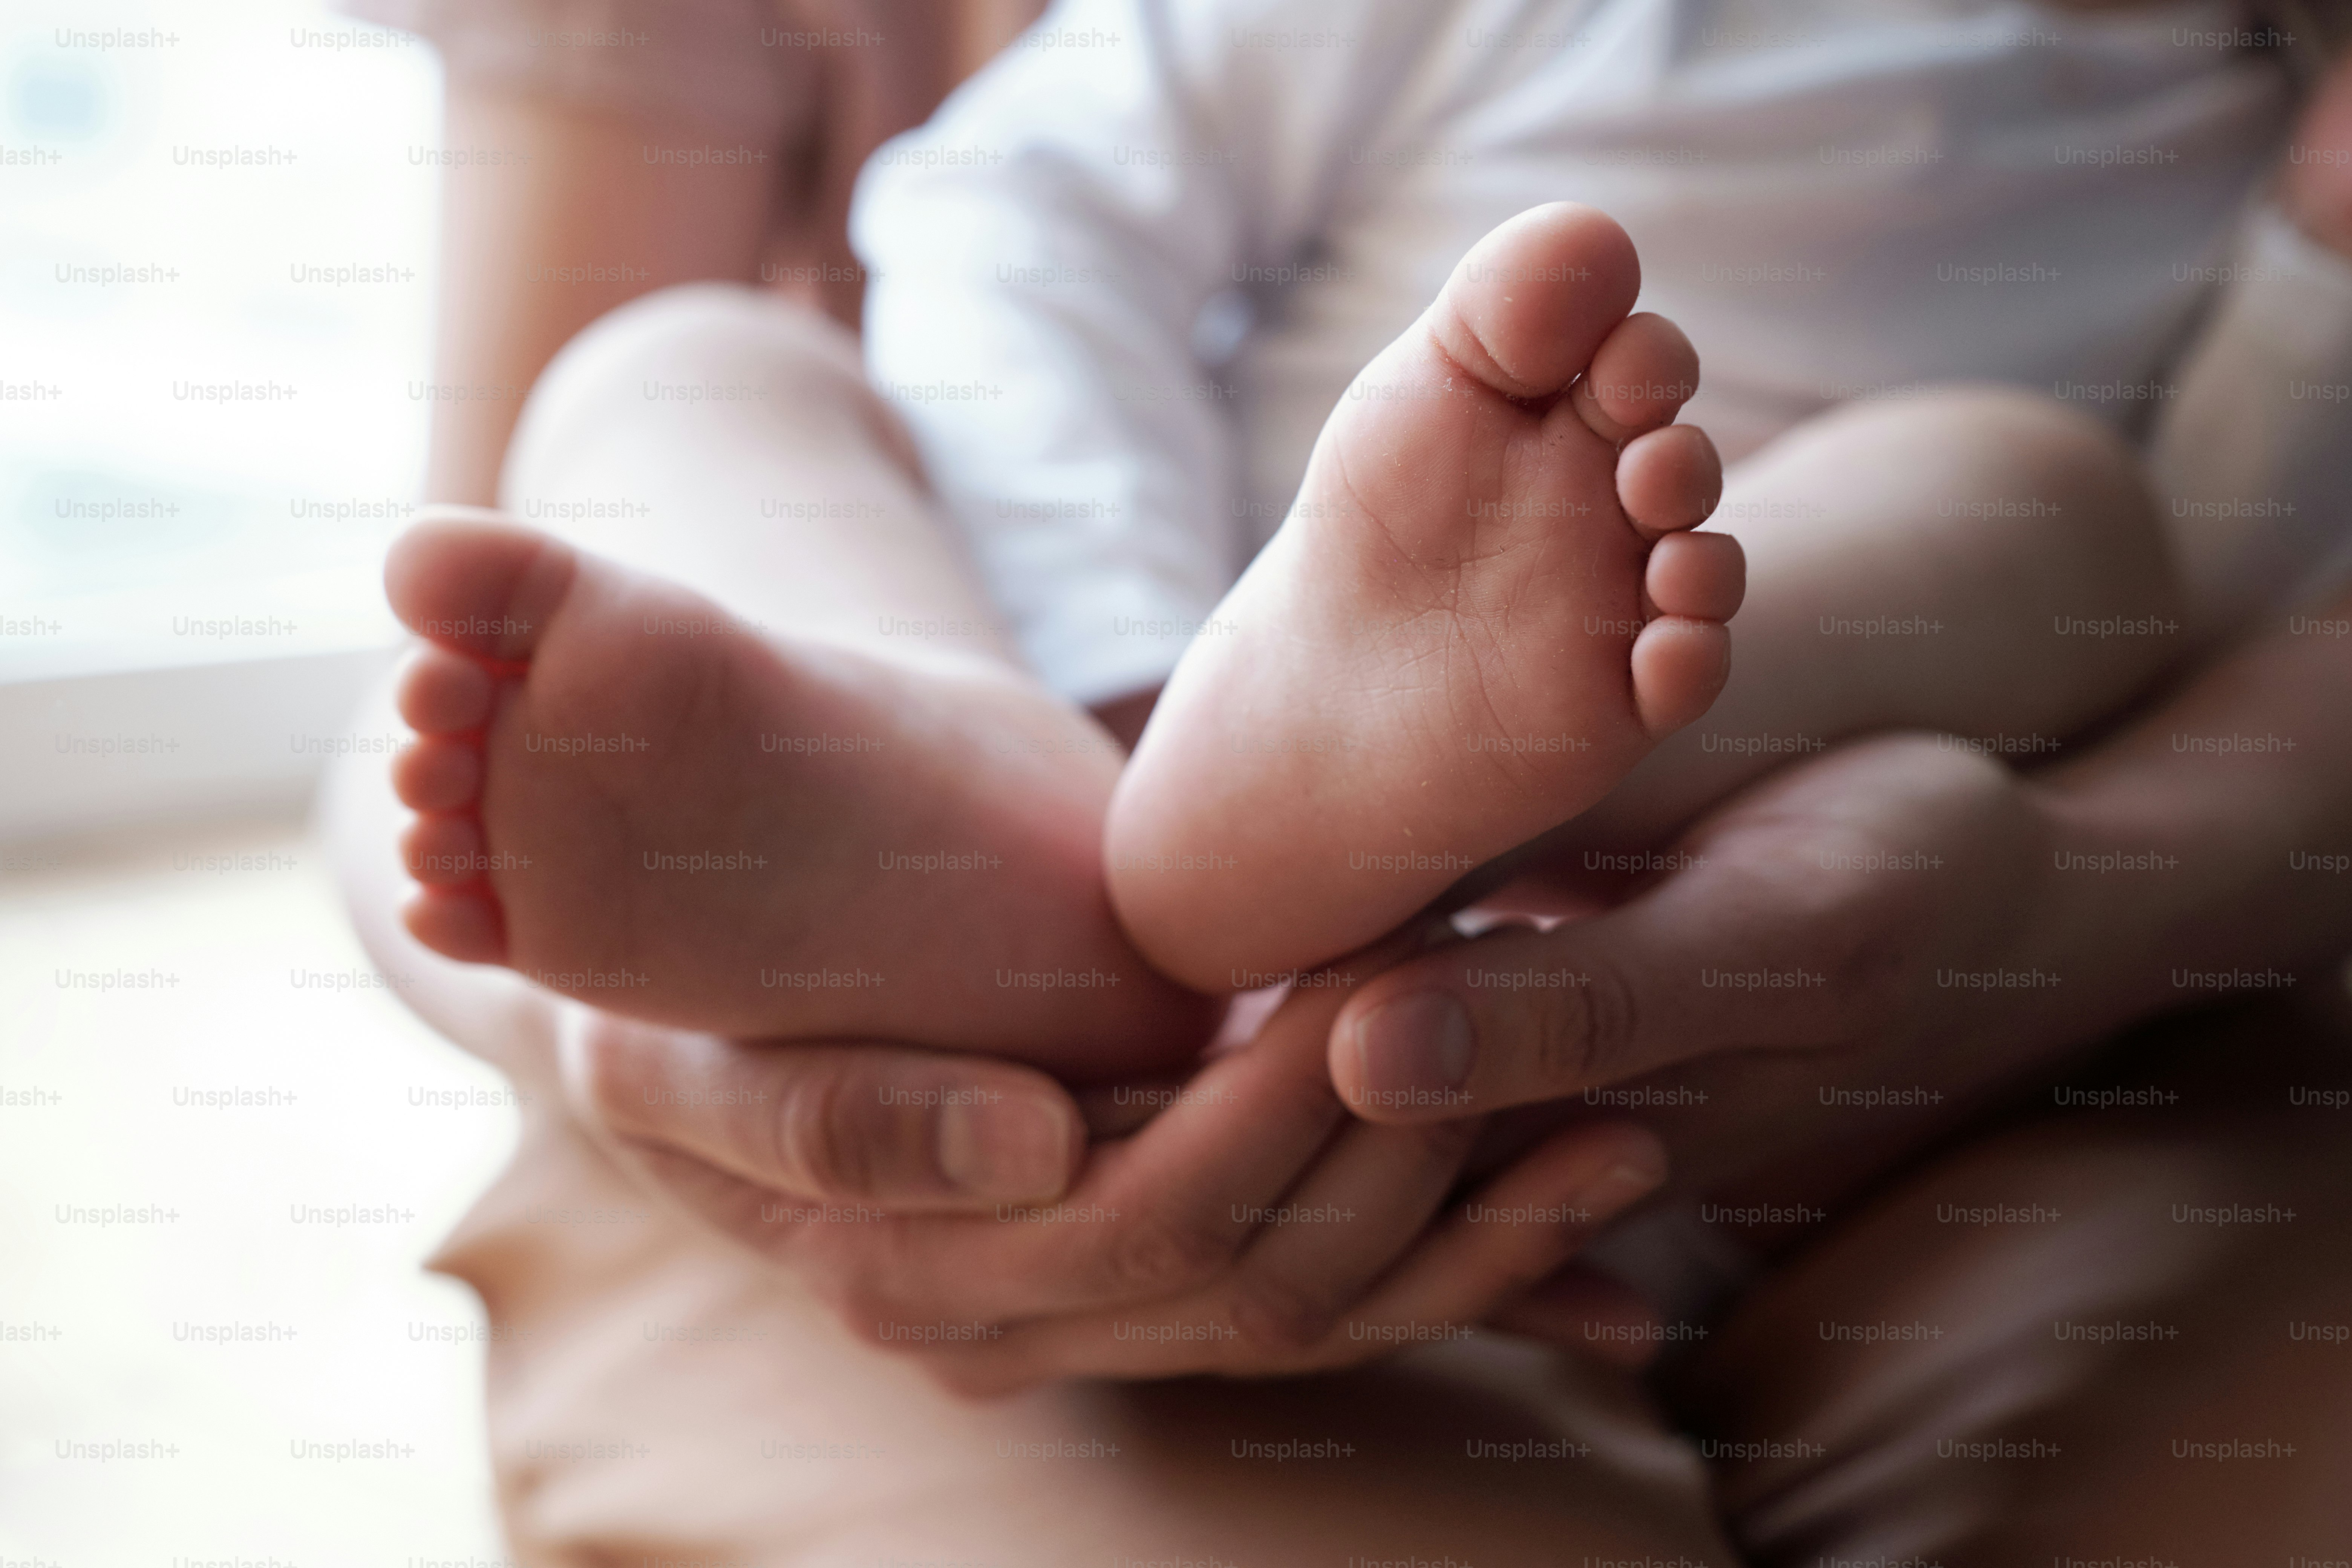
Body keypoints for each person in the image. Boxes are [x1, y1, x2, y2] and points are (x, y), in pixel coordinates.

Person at [322, 0, 2352, 1562]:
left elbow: (2220, 594)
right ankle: (1006, 807)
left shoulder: (2246, 137)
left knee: (2044, 496)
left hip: (1689, 966)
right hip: (1135, 718)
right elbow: (1026, 214)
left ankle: (1452, 798)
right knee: (684, 371)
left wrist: (2309, 277)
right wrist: (1123, 687)